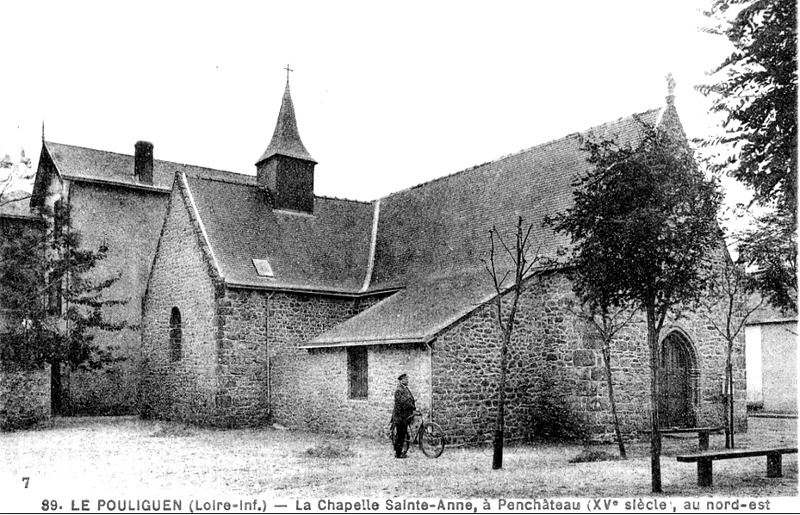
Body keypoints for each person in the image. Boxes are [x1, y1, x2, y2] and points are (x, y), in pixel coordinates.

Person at [392, 372, 416, 458]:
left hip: (405, 415)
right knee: (400, 434)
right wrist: (412, 406)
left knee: (402, 433)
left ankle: (401, 450)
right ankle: (398, 453)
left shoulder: (405, 388)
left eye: (408, 379)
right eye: (406, 379)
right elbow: (403, 403)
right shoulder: (399, 390)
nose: (408, 380)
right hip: (400, 416)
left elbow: (409, 399)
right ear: (401, 380)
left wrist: (413, 405)